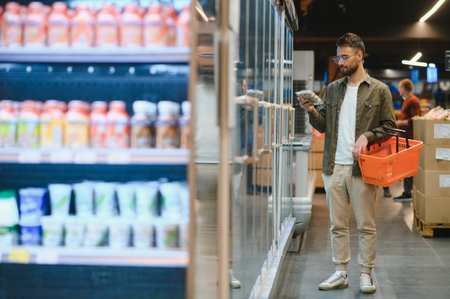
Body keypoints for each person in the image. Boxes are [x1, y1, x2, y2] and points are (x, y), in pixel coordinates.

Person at [298, 32, 396, 294]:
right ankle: (340, 271)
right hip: (333, 167)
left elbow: (390, 126)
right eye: (337, 57)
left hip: (362, 168)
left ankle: (366, 273)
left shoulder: (379, 90)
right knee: (337, 224)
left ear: (359, 55)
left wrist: (367, 135)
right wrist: (310, 111)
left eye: (344, 56)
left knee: (365, 224)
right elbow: (324, 125)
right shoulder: (332, 89)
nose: (340, 62)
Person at [393, 79, 421, 202]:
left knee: (407, 165)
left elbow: (415, 119)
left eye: (399, 87)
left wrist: (399, 122)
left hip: (409, 138)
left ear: (404, 88)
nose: (398, 90)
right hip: (404, 137)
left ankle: (407, 192)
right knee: (404, 165)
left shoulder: (413, 101)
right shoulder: (406, 101)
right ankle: (406, 191)